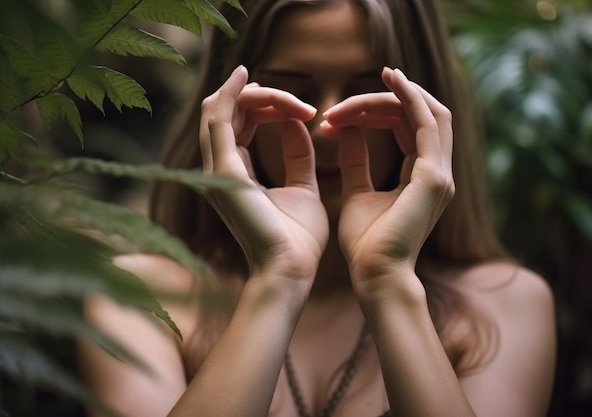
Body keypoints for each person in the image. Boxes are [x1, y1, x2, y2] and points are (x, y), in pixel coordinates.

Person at [79, 0, 557, 416]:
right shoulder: (139, 296)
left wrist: (387, 278)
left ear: (425, 113)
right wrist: (279, 277)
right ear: (228, 111)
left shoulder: (504, 305)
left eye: (365, 93)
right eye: (294, 91)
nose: (327, 125)